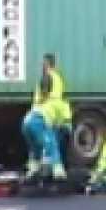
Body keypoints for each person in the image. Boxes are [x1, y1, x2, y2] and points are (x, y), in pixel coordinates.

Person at [22, 53, 72, 182]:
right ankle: (59, 173)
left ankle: (32, 171)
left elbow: (41, 95)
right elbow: (62, 124)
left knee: (35, 148)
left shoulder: (45, 80)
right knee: (51, 144)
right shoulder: (54, 80)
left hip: (28, 120)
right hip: (39, 119)